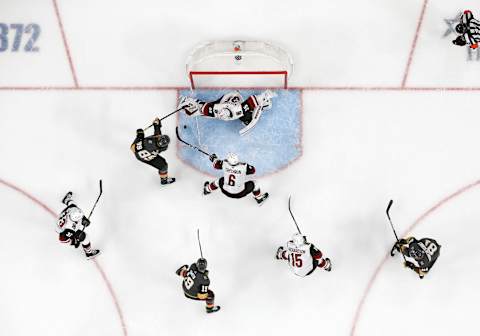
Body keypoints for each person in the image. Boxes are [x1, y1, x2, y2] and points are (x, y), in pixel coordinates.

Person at [178, 90, 276, 135]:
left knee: (207, 112)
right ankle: (188, 103)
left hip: (233, 100)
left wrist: (264, 97)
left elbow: (252, 104)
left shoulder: (236, 111)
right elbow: (251, 101)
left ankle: (190, 105)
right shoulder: (236, 111)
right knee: (207, 112)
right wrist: (264, 96)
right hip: (229, 98)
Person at [203, 152, 269, 205]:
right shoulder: (243, 166)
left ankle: (207, 190)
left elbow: (216, 165)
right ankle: (259, 198)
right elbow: (253, 170)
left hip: (225, 191)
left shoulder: (224, 164)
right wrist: (241, 171)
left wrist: (214, 158)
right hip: (240, 193)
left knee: (219, 181)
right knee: (255, 183)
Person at [56, 192, 100, 259]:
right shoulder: (69, 229)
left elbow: (75, 209)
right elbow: (62, 239)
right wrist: (74, 240)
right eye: (80, 219)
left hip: (63, 220)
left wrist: (83, 219)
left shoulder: (72, 209)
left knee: (73, 204)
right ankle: (89, 253)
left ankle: (66, 200)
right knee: (85, 237)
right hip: (62, 229)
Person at [131, 117, 175, 185]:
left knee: (140, 136)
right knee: (163, 166)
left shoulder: (149, 141)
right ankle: (164, 180)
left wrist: (140, 135)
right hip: (147, 156)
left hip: (139, 154)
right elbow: (157, 135)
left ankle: (140, 135)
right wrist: (157, 125)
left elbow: (157, 135)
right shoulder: (164, 147)